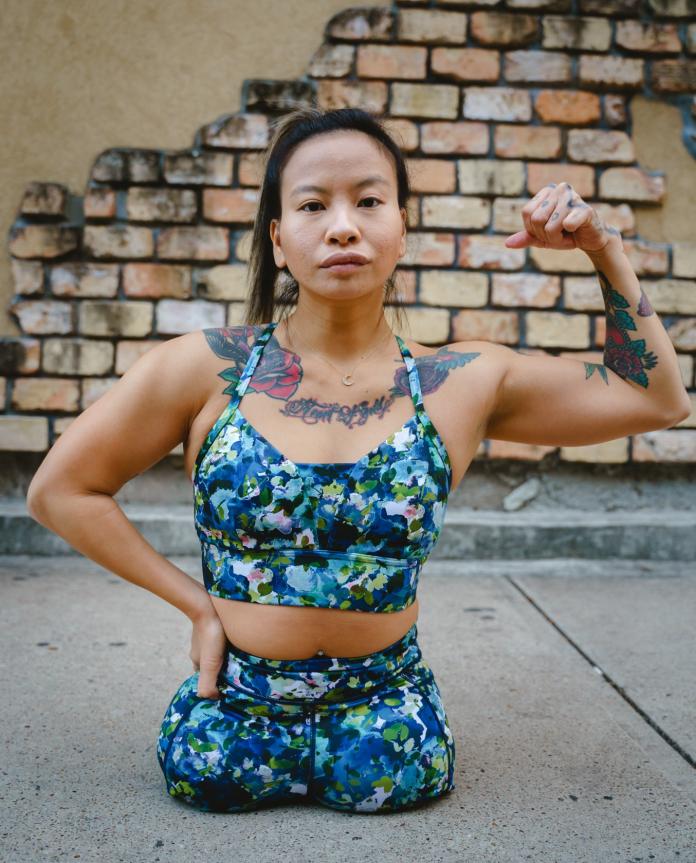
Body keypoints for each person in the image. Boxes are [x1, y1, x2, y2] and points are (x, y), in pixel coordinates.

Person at [26, 106, 690, 814]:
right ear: (280, 240)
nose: (343, 224)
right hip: (230, 723)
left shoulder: (461, 382)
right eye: (313, 205)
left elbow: (655, 399)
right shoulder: (206, 368)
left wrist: (604, 248)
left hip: (391, 730)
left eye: (369, 201)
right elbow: (62, 490)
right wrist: (197, 607)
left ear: (401, 227)